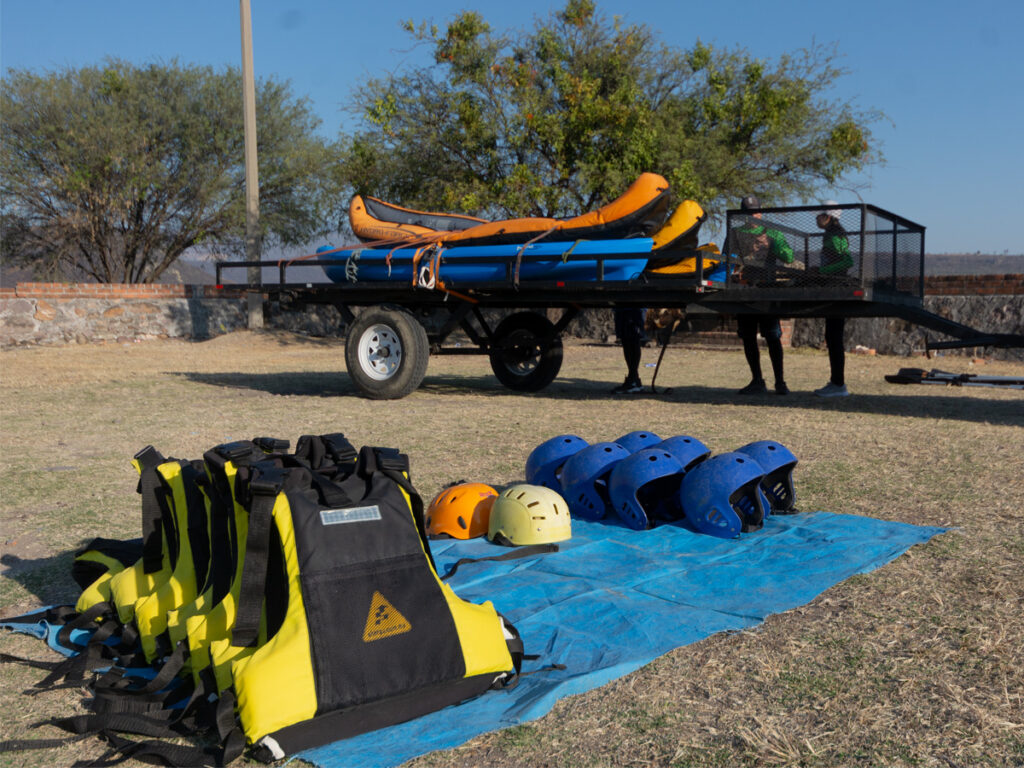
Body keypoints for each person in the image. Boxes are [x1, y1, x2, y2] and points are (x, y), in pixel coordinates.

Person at [729, 195, 795, 395]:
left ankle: (780, 382)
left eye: (755, 211)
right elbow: (728, 259)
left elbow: (789, 256)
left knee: (773, 336)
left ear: (760, 212)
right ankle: (757, 380)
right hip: (745, 290)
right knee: (748, 337)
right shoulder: (735, 233)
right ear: (742, 215)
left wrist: (771, 244)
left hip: (767, 289)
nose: (752, 215)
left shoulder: (772, 231)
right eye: (748, 212)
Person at [813, 201, 854, 397]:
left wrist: (821, 271)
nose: (816, 218)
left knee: (834, 336)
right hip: (832, 286)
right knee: (832, 336)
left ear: (828, 216)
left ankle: (838, 384)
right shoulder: (831, 233)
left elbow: (847, 260)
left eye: (820, 214)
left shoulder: (836, 234)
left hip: (837, 287)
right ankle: (836, 382)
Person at [611, 307, 646, 394]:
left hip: (634, 307)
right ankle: (633, 379)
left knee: (633, 339)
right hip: (621, 307)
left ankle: (633, 380)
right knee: (625, 340)